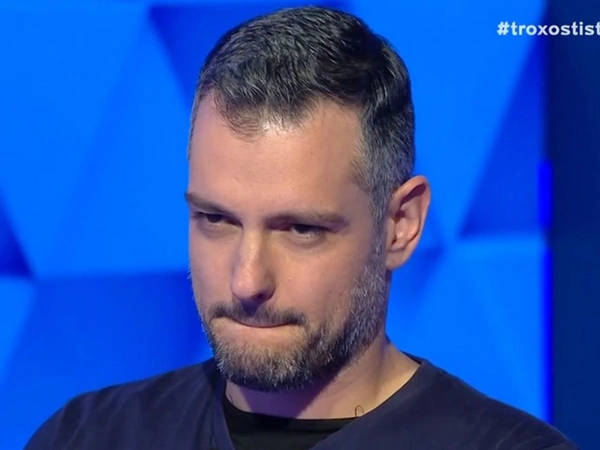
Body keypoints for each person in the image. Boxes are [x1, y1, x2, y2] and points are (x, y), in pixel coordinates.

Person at [25, 6, 576, 450]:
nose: (246, 281)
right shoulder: (86, 436)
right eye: (216, 220)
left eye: (300, 230)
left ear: (401, 225)